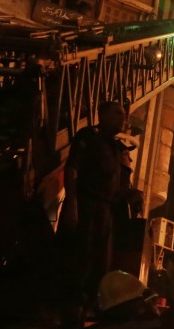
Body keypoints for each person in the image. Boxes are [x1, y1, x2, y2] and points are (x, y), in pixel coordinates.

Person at [59, 101, 144, 303]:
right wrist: (72, 204)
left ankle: (85, 310)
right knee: (81, 260)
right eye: (117, 113)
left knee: (101, 266)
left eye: (124, 115)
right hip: (87, 206)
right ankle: (68, 310)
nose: (123, 118)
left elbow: (118, 186)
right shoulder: (88, 137)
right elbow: (72, 169)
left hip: (106, 213)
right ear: (102, 115)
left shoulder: (116, 148)